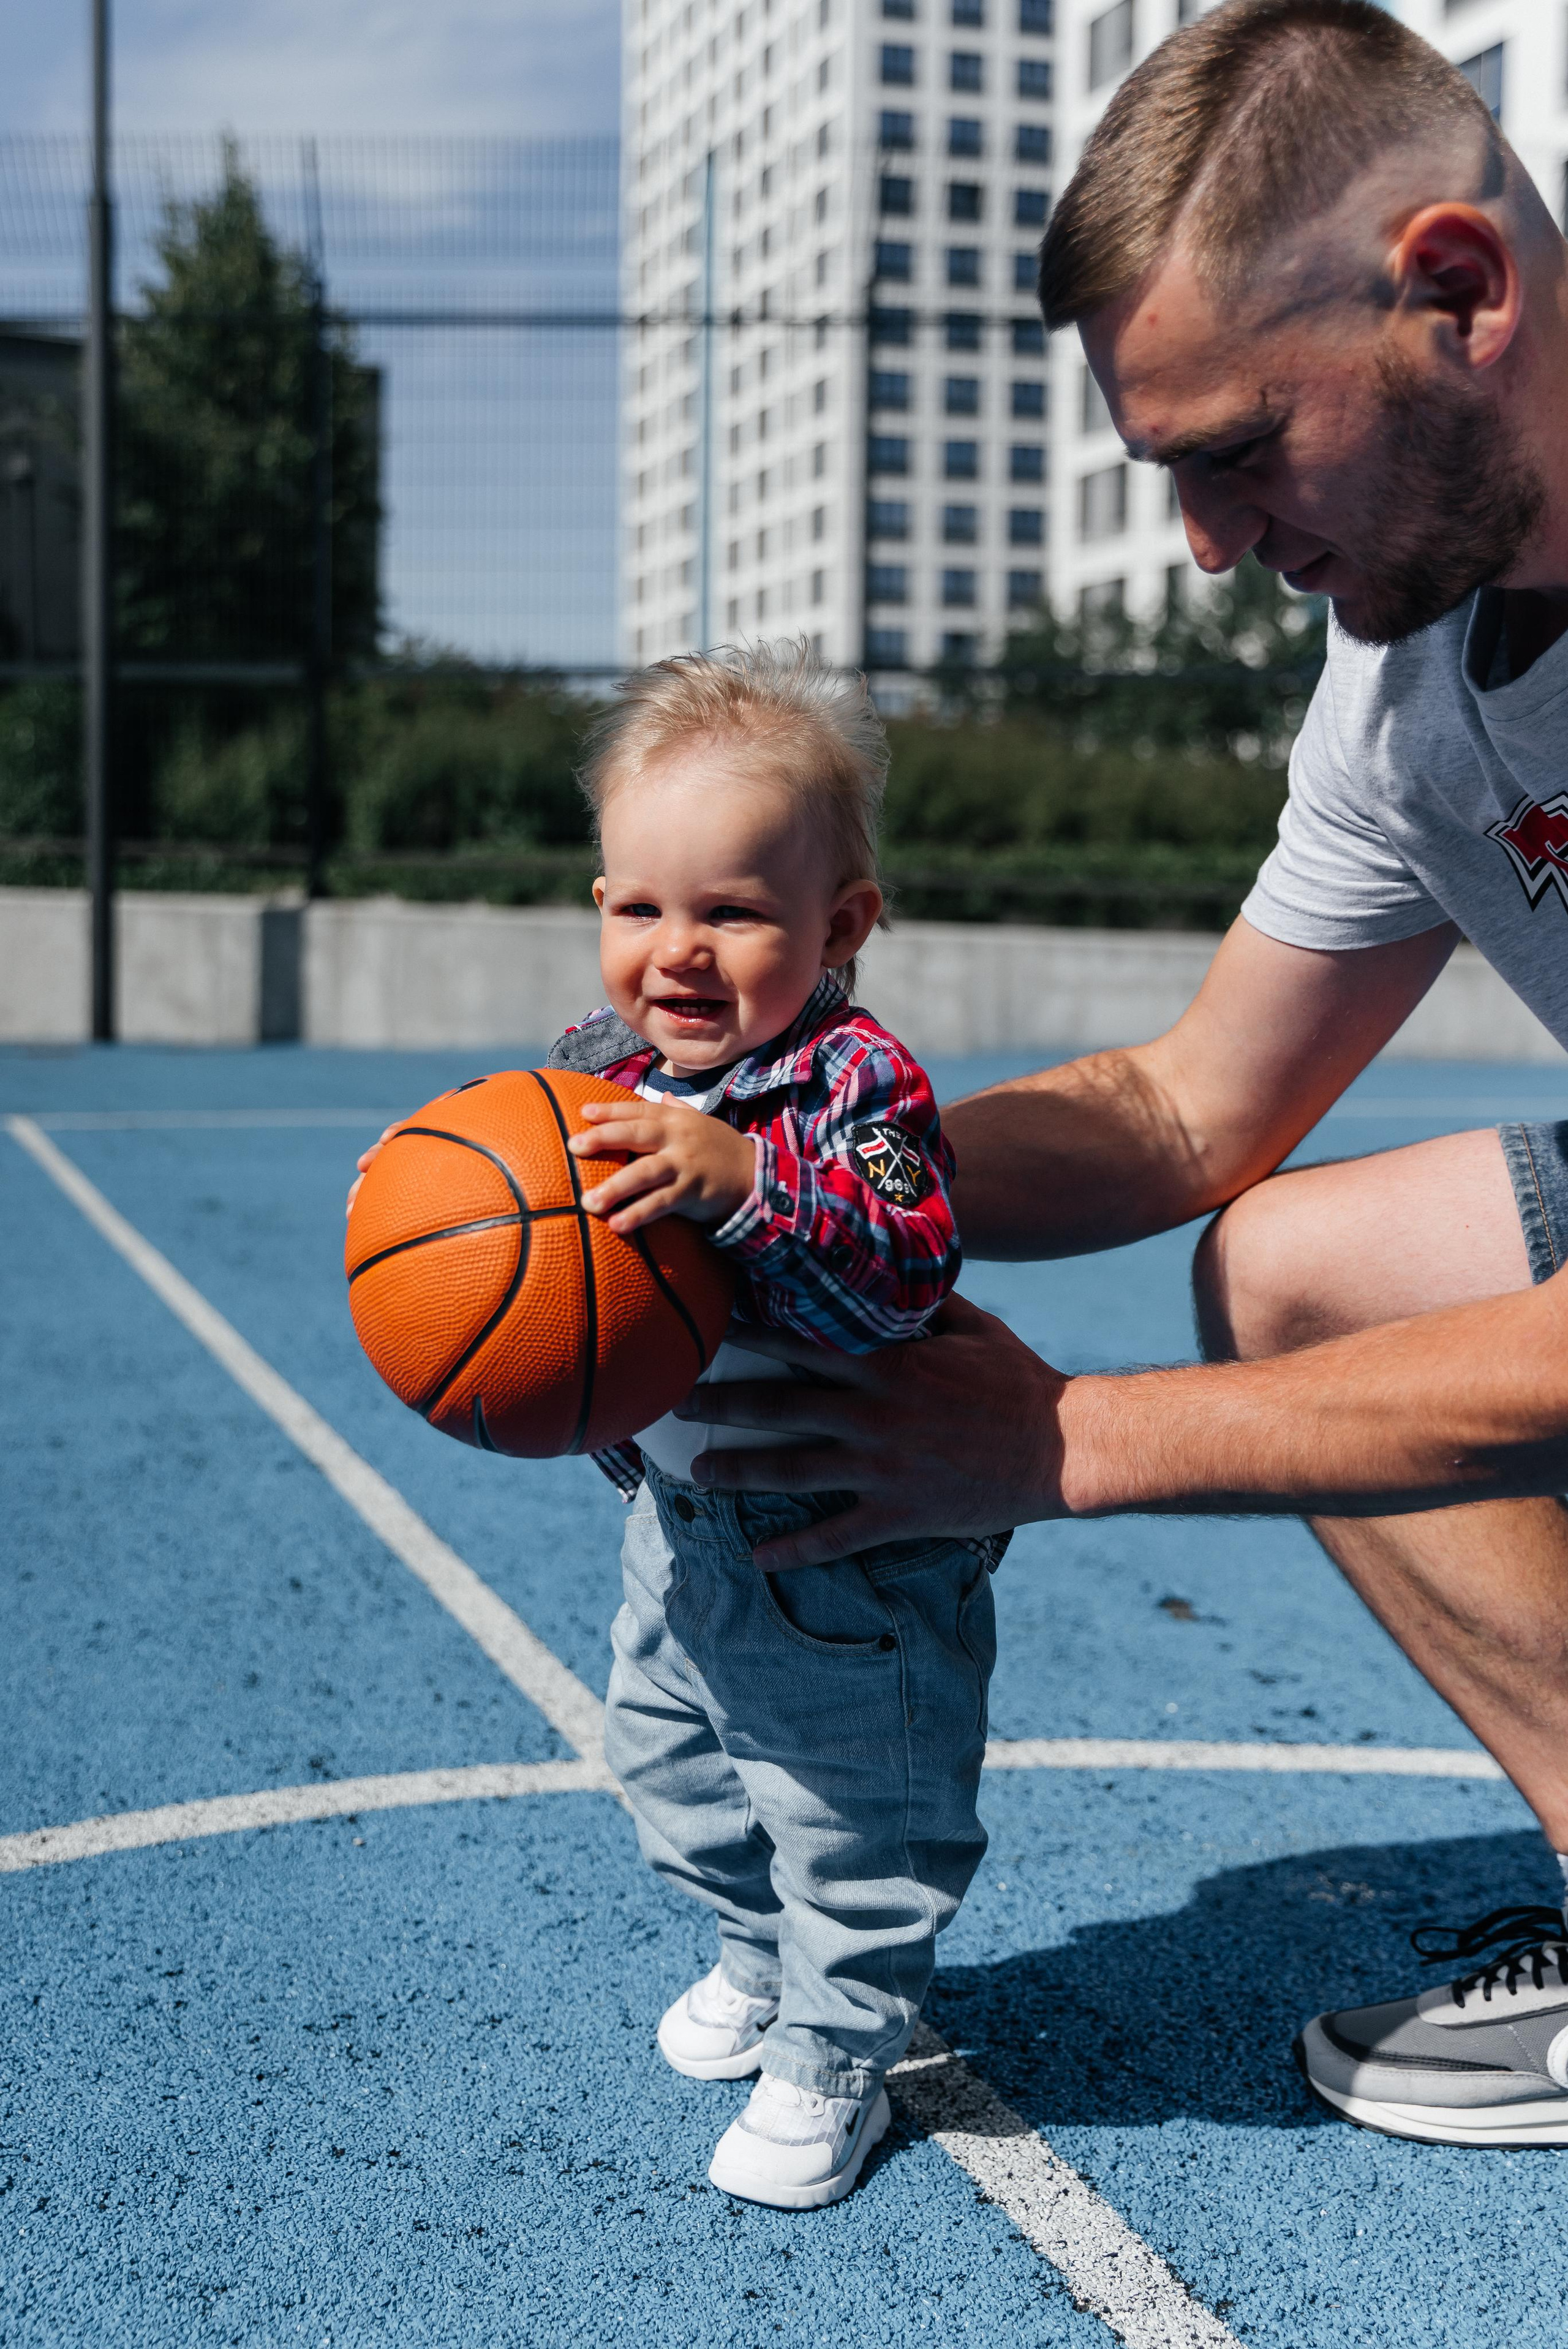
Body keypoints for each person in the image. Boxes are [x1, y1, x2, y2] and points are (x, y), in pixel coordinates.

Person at [677, 0, 1568, 2150]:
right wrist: (765, 1170)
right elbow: (1189, 1109)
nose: (1209, 541)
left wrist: (1065, 1440)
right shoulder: (1406, 688)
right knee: (1294, 1262)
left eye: (1237, 451)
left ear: (1457, 288)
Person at [550, 641, 1006, 2209]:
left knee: (853, 1818)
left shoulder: (852, 1086)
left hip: (847, 1546)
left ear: (840, 926)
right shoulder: (601, 1068)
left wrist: (743, 1185)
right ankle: (756, 1951)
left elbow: (897, 1276)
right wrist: (424, 1203)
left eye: (731, 910)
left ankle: (838, 2042)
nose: (674, 952)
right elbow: (519, 1208)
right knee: (665, 1766)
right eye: (636, 905)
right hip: (675, 1527)